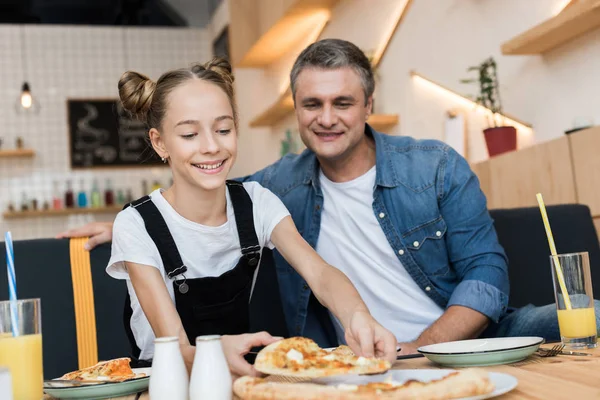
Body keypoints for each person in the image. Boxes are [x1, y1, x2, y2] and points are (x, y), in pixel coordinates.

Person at [59, 39, 600, 356]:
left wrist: (398, 340)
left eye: (342, 100)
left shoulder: (432, 166)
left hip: (451, 341)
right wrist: (126, 228)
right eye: (311, 103)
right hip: (280, 363)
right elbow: (189, 204)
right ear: (295, 110)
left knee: (587, 314)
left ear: (368, 103)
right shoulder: (277, 185)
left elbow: (485, 276)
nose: (326, 117)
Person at [102, 57, 397, 377]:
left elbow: (321, 273)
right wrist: (215, 352)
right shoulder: (136, 225)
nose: (212, 146)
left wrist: (357, 315)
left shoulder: (256, 203)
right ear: (160, 143)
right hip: (165, 379)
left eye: (223, 129)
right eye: (190, 135)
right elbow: (175, 346)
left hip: (239, 373)